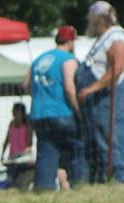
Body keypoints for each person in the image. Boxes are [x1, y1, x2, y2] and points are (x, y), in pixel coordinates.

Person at [25, 25, 87, 190]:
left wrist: (41, 97)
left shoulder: (38, 59)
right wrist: (78, 111)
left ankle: (44, 188)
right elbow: (69, 87)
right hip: (62, 112)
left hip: (38, 114)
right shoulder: (67, 59)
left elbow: (26, 86)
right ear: (70, 41)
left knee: (47, 151)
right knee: (77, 148)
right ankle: (80, 186)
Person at [76, 1, 124, 183]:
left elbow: (117, 67)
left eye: (91, 19)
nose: (89, 22)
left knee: (111, 139)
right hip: (97, 101)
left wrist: (91, 88)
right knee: (99, 141)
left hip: (107, 99)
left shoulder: (115, 37)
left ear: (99, 19)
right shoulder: (103, 38)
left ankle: (118, 179)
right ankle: (104, 179)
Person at [1, 103, 34, 188]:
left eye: (15, 110)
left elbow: (30, 141)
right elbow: (7, 139)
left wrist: (26, 152)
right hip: (12, 157)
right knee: (11, 180)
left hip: (23, 158)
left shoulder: (27, 125)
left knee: (22, 181)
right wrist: (2, 153)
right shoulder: (11, 124)